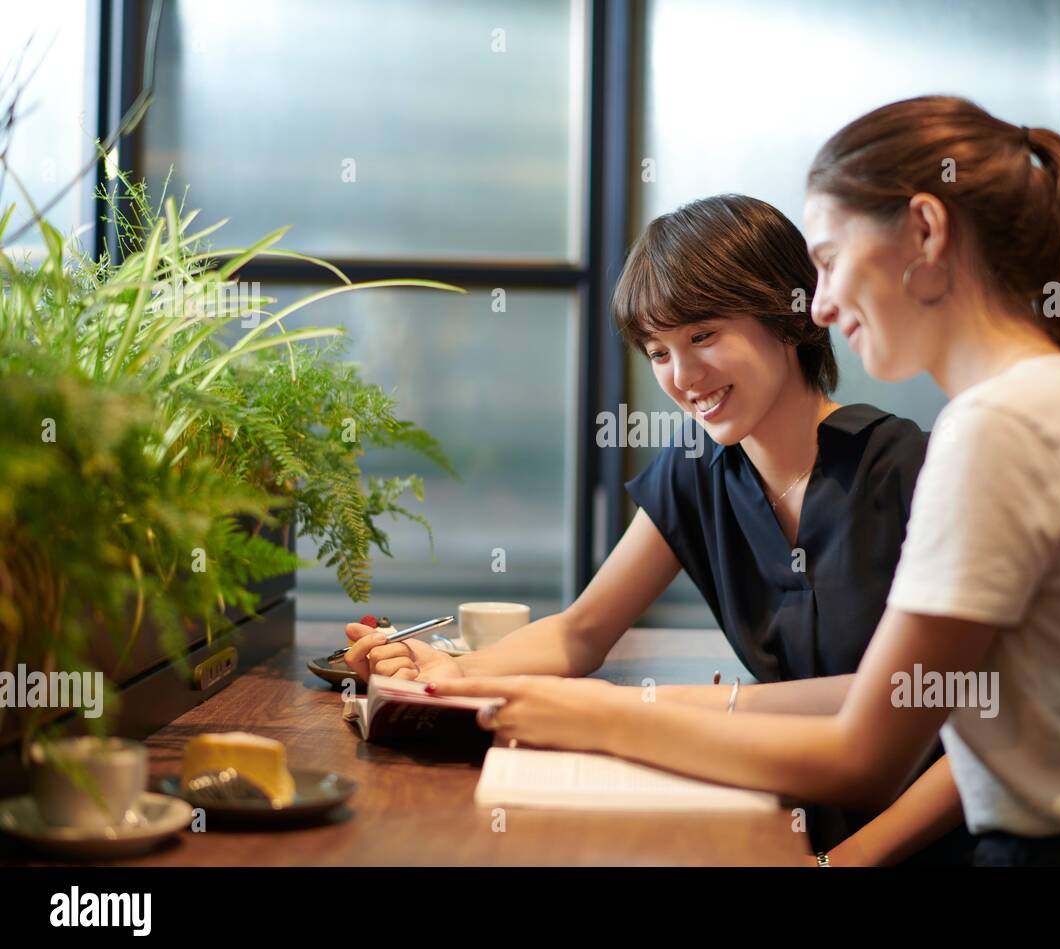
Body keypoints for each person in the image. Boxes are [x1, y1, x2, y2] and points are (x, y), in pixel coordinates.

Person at [428, 96, 1060, 867]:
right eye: (658, 352)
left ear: (926, 233)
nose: (818, 304)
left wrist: (605, 716)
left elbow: (866, 752)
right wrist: (453, 675)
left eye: (826, 261)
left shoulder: (996, 428)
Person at [345, 194, 959, 861]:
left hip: (928, 843)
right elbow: (581, 632)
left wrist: (843, 863)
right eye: (658, 351)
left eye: (703, 336)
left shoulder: (910, 470)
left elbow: (961, 722)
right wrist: (450, 675)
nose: (683, 377)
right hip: (792, 812)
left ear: (788, 315)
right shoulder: (696, 469)